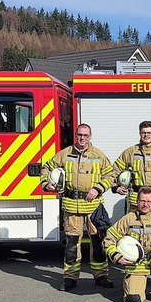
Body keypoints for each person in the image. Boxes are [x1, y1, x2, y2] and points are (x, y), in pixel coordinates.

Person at [42, 123, 115, 291]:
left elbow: (111, 175)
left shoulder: (98, 155)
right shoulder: (65, 154)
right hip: (71, 206)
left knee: (98, 242)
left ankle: (101, 276)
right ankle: (70, 278)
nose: (82, 138)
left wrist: (98, 189)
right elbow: (46, 168)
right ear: (76, 135)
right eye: (80, 135)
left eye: (86, 135)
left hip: (93, 206)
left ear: (90, 136)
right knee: (72, 245)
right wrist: (47, 184)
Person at [103, 187, 151, 302]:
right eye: (142, 201)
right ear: (137, 201)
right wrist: (117, 256)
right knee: (133, 300)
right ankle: (134, 283)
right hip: (138, 263)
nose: (145, 204)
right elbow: (108, 239)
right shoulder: (128, 219)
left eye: (148, 201)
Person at [112, 120, 151, 213]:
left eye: (149, 133)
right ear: (139, 133)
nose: (146, 135)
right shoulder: (130, 152)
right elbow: (113, 171)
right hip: (135, 202)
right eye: (143, 133)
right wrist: (116, 187)